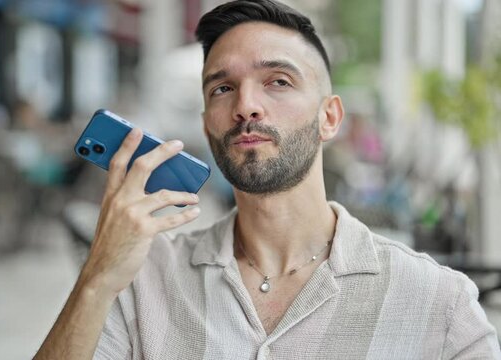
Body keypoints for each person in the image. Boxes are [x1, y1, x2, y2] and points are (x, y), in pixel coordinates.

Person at [35, 1, 500, 359]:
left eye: (278, 81)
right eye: (222, 88)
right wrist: (96, 278)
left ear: (330, 117)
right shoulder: (140, 280)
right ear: (206, 124)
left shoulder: (437, 301)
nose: (246, 105)